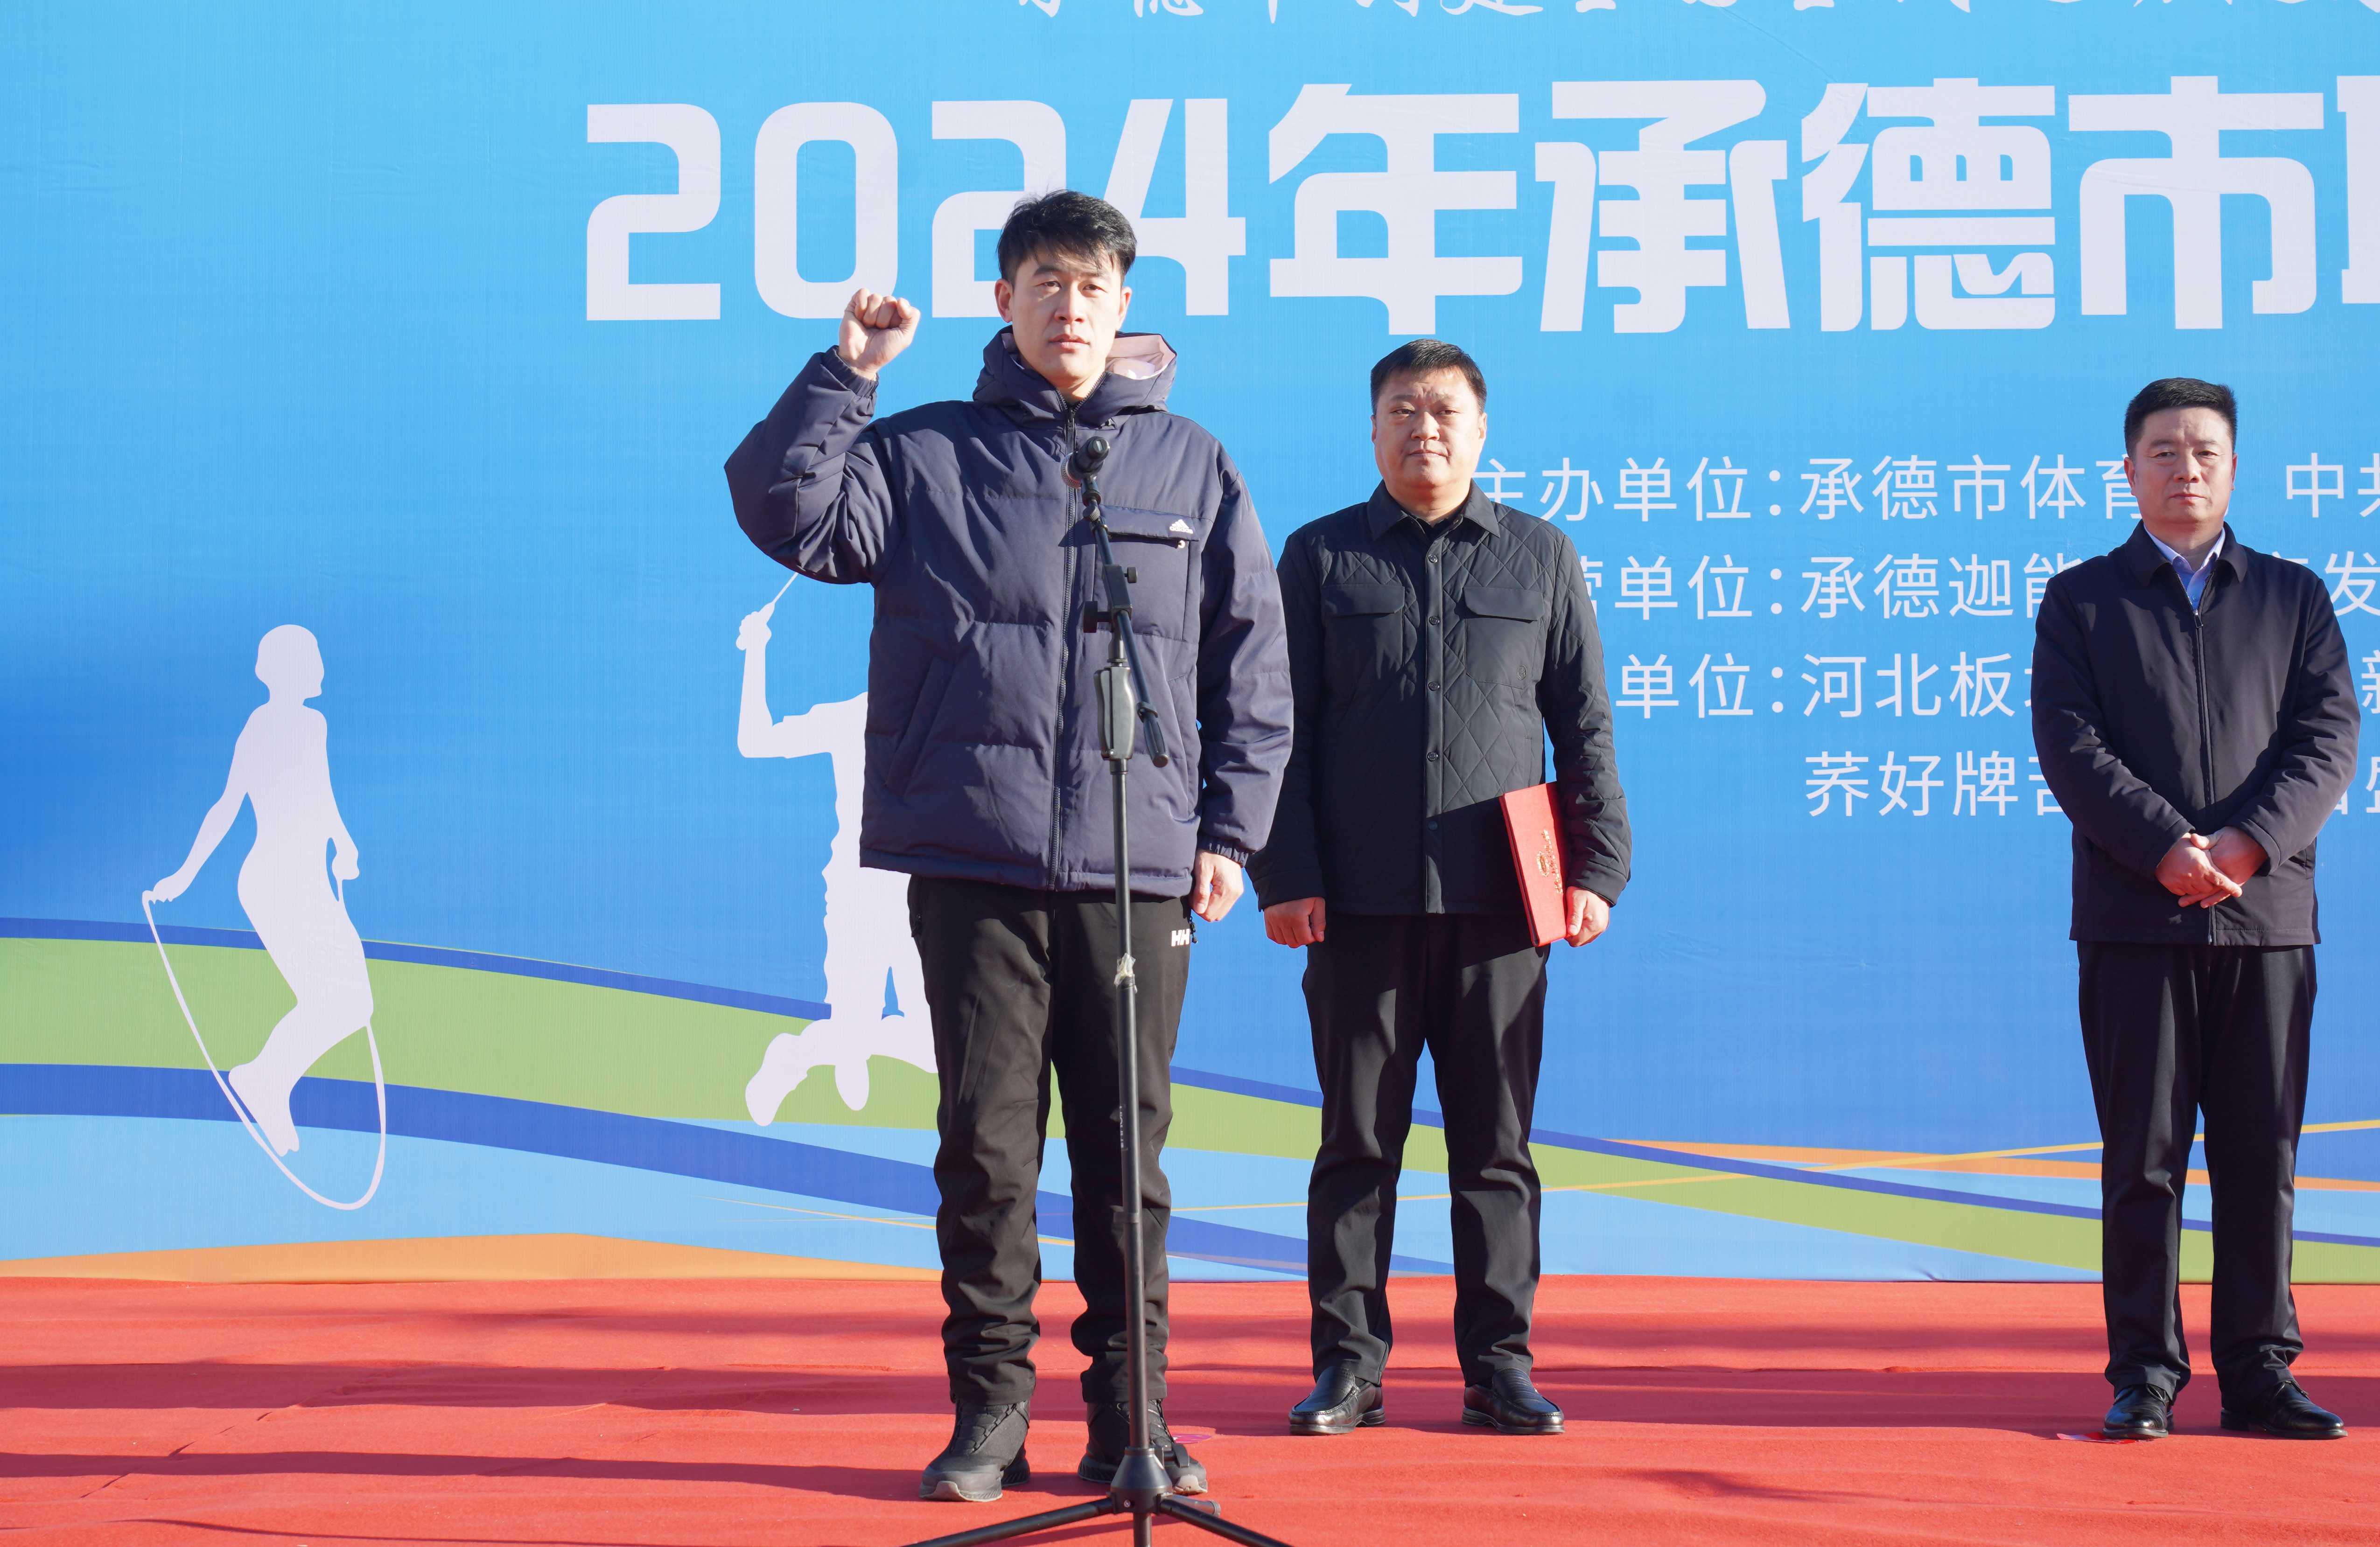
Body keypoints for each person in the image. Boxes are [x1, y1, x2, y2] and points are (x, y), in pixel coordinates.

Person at [724, 191, 1291, 1502]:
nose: (1068, 307)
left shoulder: (1188, 464)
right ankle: (988, 1414)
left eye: (1091, 286)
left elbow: (1247, 660)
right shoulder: (926, 451)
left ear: (1122, 304)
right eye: (1044, 283)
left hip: (1134, 861)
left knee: (1125, 1154)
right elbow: (787, 512)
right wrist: (849, 375)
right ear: (1004, 301)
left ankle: (1132, 1418)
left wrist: (1230, 829)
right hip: (971, 855)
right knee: (986, 1153)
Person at [1250, 340, 1630, 1439]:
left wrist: (1597, 867)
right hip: (1357, 905)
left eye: (1445, 410)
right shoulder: (1321, 557)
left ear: (1480, 428)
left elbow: (1583, 721)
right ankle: (1347, 1366)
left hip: (1501, 903)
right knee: (1355, 1144)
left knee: (1495, 1147)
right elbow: (1279, 728)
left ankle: (1499, 1364)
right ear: (1372, 429)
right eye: (1403, 410)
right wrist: (1286, 873)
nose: (1425, 428)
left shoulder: (1539, 555)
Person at [2033, 377, 2359, 1442]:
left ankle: (2260, 1370)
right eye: (2164, 451)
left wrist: (2248, 843)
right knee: (2143, 1158)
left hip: (2267, 917)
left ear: (2234, 467)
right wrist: (2163, 848)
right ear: (2127, 471)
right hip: (2136, 917)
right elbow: (2070, 745)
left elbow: (2326, 740)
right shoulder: (2082, 601)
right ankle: (2144, 1371)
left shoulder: (2293, 598)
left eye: (2205, 451)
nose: (2186, 469)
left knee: (2262, 1155)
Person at [150, 624, 374, 1159]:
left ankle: (266, 1078)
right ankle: (264, 1081)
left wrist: (344, 844)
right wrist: (184, 875)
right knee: (337, 1000)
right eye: (313, 657)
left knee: (354, 1002)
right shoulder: (261, 727)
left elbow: (321, 794)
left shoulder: (315, 724)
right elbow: (227, 805)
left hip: (309, 881)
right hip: (276, 884)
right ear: (290, 668)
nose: (321, 666)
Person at [734, 596, 932, 1118]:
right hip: (858, 889)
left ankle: (854, 1043)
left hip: (917, 897)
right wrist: (756, 650)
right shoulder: (848, 718)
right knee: (852, 1027)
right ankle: (805, 1053)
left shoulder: (936, 727)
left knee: (936, 1049)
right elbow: (755, 741)